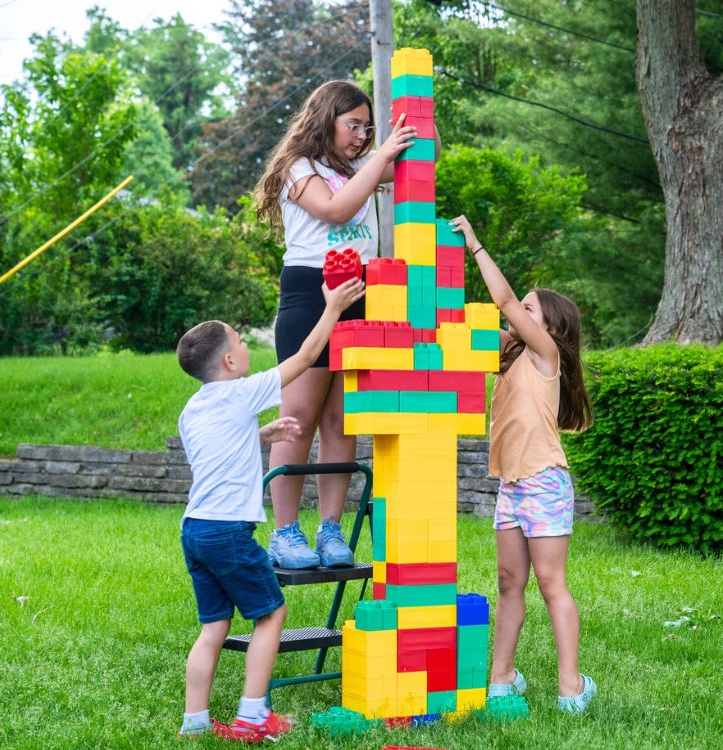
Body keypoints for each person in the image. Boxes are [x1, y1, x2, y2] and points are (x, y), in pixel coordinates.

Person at [174, 277, 366, 740]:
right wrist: (334, 308)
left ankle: (194, 723)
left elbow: (214, 451)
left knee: (214, 625)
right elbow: (302, 359)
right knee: (271, 615)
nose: (246, 347)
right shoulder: (242, 392)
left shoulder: (192, 409)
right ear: (229, 361)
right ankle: (253, 716)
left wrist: (261, 436)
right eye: (241, 341)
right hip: (227, 533)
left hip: (195, 530)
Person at [253, 79, 417, 569]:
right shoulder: (298, 168)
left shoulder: (355, 169)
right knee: (298, 418)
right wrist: (379, 158)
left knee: (340, 419)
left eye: (368, 128)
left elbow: (420, 162)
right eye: (353, 125)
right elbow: (335, 209)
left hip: (362, 291)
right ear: (325, 118)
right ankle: (284, 533)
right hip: (311, 291)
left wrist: (408, 127)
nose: (362, 136)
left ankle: (329, 530)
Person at [448, 215, 598, 714]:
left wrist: (475, 248)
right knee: (509, 582)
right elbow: (462, 331)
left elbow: (505, 301)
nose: (516, 314)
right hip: (512, 486)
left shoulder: (545, 354)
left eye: (530, 310)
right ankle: (500, 678)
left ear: (548, 326)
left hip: (545, 483)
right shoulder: (511, 355)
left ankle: (571, 687)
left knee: (552, 583)